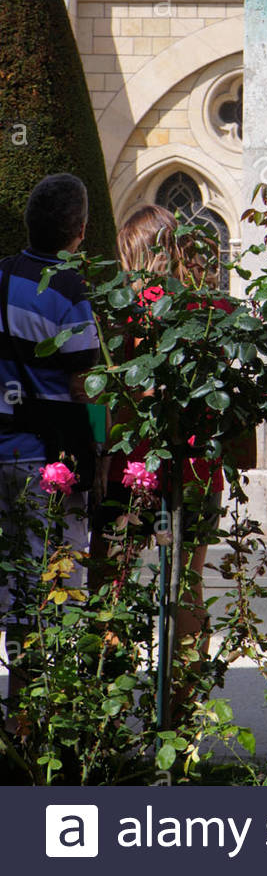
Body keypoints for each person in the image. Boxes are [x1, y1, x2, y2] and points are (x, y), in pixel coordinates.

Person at [90, 206, 227, 654]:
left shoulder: (125, 311)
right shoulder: (213, 309)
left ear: (134, 253)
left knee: (111, 583)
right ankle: (184, 716)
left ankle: (105, 702)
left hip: (134, 471)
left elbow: (113, 396)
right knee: (189, 586)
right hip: (198, 467)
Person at [0, 174, 98, 693]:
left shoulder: (1, 276)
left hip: (4, 449)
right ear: (79, 231)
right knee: (52, 583)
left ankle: (17, 718)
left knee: (12, 581)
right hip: (48, 462)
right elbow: (85, 380)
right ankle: (35, 713)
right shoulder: (67, 287)